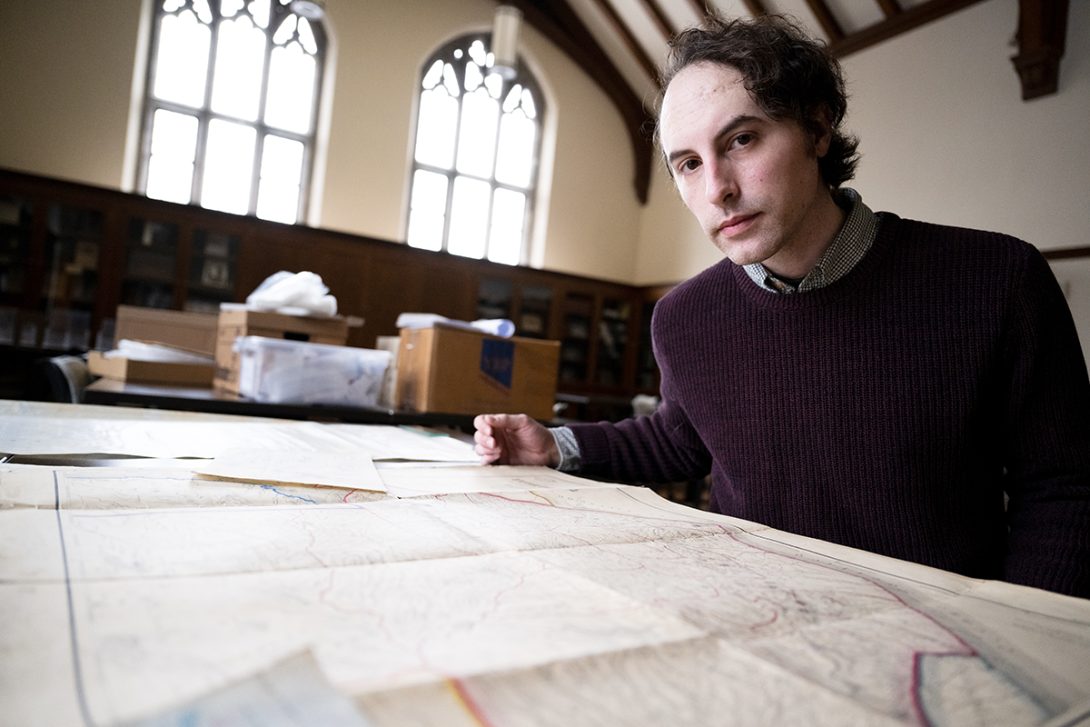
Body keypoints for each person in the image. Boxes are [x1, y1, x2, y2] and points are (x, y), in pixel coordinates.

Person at [474, 14, 1090, 599]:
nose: (716, 188)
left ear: (818, 130)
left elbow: (1066, 490)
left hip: (940, 661)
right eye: (688, 163)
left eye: (741, 140)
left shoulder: (998, 281)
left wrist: (1016, 638)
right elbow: (680, 440)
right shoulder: (684, 318)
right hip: (753, 631)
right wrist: (556, 446)